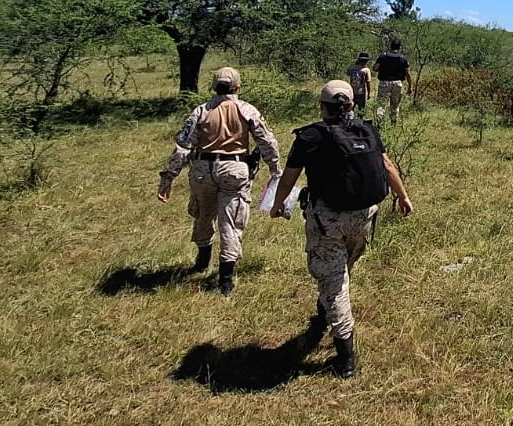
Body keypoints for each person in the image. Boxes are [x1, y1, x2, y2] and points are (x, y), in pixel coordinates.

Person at [269, 80, 413, 378]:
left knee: (335, 282)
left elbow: (289, 177)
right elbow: (386, 166)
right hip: (365, 215)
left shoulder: (311, 136)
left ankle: (345, 356)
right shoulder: (367, 129)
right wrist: (403, 195)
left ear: (322, 107)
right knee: (343, 268)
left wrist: (277, 204)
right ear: (351, 104)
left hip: (328, 219)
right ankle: (325, 308)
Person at [157, 66, 281, 296]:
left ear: (214, 86)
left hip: (203, 169)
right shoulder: (246, 110)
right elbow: (267, 142)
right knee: (231, 221)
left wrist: (168, 177)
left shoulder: (201, 111)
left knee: (204, 214)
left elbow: (183, 147)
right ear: (237, 87)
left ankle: (203, 258)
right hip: (234, 169)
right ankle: (225, 279)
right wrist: (276, 171)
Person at [374, 38, 411, 122]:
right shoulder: (403, 58)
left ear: (390, 46)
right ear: (399, 47)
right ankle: (393, 122)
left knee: (381, 104)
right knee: (395, 104)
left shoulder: (383, 56)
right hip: (397, 83)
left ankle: (379, 123)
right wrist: (410, 86)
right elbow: (408, 74)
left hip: (384, 82)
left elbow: (375, 68)